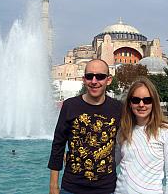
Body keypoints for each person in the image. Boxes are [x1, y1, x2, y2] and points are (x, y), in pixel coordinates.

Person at [48, 59, 122, 194]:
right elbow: (58, 145)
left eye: (100, 77)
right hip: (72, 187)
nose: (94, 81)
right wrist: (53, 186)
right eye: (89, 76)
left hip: (106, 189)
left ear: (108, 80)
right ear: (84, 79)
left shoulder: (118, 108)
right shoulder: (70, 106)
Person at [115, 77, 168, 194]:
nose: (141, 104)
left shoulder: (165, 132)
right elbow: (112, 162)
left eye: (147, 100)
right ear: (129, 103)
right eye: (136, 100)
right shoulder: (123, 131)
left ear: (154, 102)